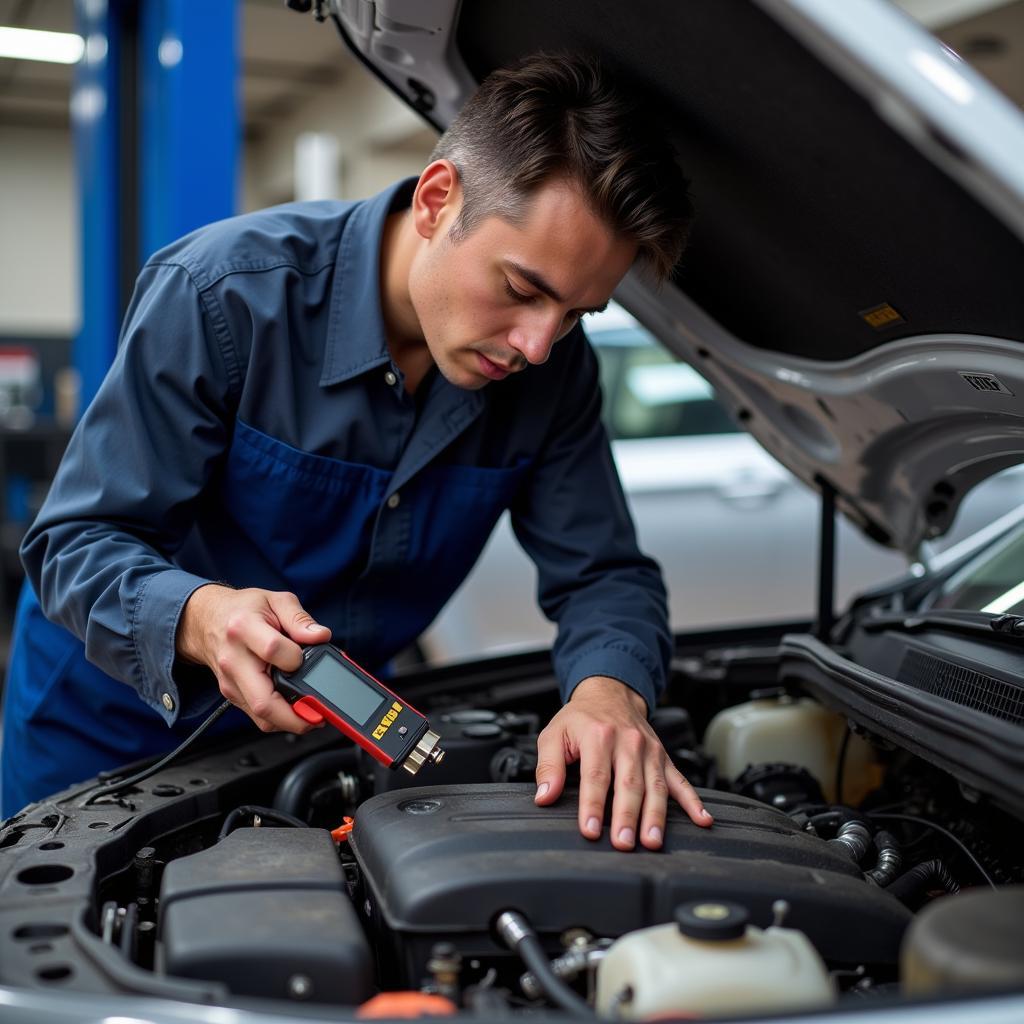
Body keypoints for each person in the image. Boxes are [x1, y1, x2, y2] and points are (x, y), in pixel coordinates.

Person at [1, 53, 713, 848]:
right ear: (439, 200)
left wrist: (610, 694)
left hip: (317, 746)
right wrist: (201, 616)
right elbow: (72, 544)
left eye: (578, 313)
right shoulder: (221, 295)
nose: (539, 346)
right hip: (104, 745)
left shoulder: (551, 375)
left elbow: (602, 572)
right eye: (522, 289)